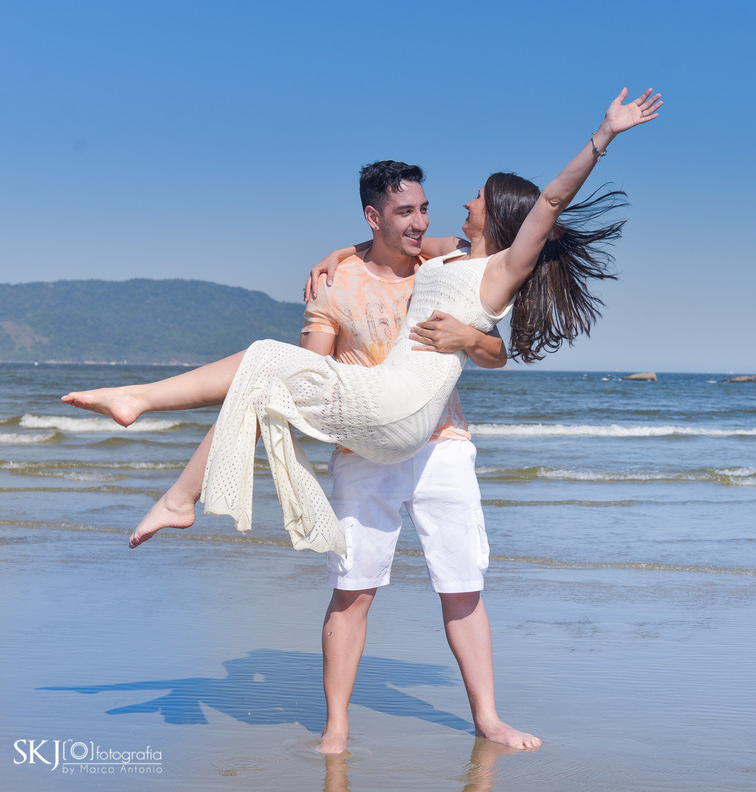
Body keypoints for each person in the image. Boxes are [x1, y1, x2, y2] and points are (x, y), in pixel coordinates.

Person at [61, 87, 662, 751]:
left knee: (458, 581)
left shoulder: (497, 269)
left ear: (498, 217)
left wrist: (604, 134)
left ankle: (150, 421)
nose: (454, 205)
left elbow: (548, 204)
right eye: (411, 210)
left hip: (416, 420)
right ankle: (173, 481)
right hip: (380, 412)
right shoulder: (443, 256)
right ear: (380, 217)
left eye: (471, 200)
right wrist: (340, 253)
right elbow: (386, 240)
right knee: (268, 374)